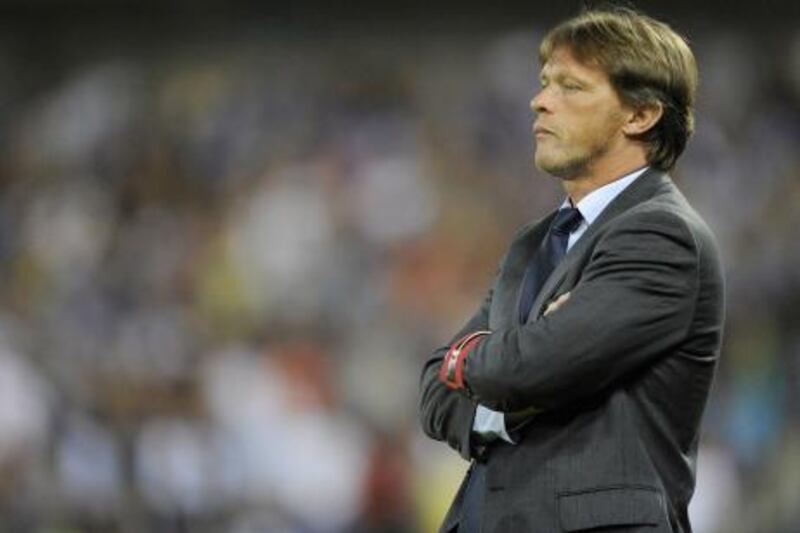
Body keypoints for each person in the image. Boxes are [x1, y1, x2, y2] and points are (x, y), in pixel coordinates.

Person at [419, 7, 725, 533]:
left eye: (572, 87)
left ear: (640, 115)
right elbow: (435, 392)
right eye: (544, 84)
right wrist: (509, 385)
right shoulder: (534, 243)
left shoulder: (661, 235)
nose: (539, 101)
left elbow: (526, 367)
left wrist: (498, 368)